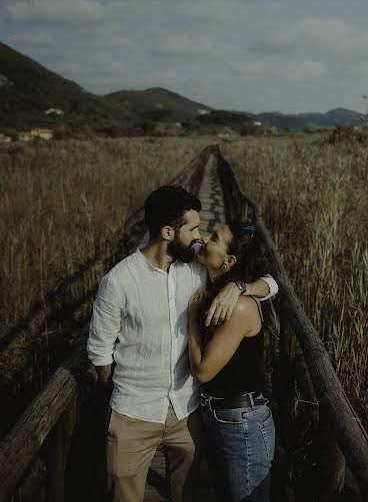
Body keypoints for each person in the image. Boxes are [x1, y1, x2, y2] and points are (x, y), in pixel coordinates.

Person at [86, 185, 276, 502]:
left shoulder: (197, 267)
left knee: (187, 493)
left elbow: (271, 282)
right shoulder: (119, 281)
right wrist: (120, 393)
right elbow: (99, 351)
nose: (200, 237)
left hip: (187, 411)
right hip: (134, 412)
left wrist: (239, 287)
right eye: (193, 229)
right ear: (167, 231)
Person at [188, 222, 277, 501]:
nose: (203, 238)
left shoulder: (239, 306)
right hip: (219, 417)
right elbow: (271, 281)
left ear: (229, 261)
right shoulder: (216, 283)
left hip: (241, 425)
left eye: (213, 238)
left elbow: (202, 371)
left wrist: (191, 318)